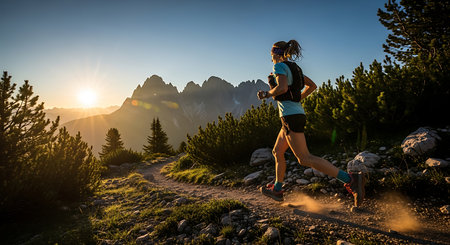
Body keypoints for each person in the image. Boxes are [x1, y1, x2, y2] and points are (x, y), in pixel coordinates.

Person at [257, 40, 366, 207]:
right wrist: (298, 98)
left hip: (291, 117)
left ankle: (351, 179)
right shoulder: (294, 68)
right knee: (277, 151)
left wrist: (266, 94)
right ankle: (277, 190)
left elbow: (282, 88)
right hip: (292, 115)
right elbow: (312, 86)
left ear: (275, 53)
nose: (270, 56)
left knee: (305, 159)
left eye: (271, 53)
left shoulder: (278, 66)